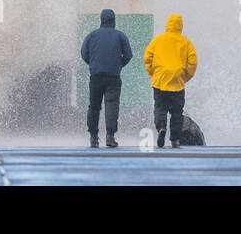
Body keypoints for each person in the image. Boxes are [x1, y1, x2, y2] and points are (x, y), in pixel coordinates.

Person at [79, 8, 133, 148]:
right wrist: (119, 65)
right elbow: (128, 55)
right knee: (112, 105)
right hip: (113, 77)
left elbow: (84, 53)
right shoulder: (120, 36)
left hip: (96, 76)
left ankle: (93, 137)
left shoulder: (92, 35)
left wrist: (93, 64)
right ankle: (110, 137)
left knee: (94, 106)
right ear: (113, 20)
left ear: (101, 20)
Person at [143, 13, 197, 148]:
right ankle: (174, 139)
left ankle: (161, 127)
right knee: (177, 111)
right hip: (177, 82)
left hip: (160, 80)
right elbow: (192, 63)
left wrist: (152, 72)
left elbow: (147, 57)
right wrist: (185, 78)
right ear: (181, 26)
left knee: (160, 107)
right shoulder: (186, 43)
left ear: (167, 25)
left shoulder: (158, 40)